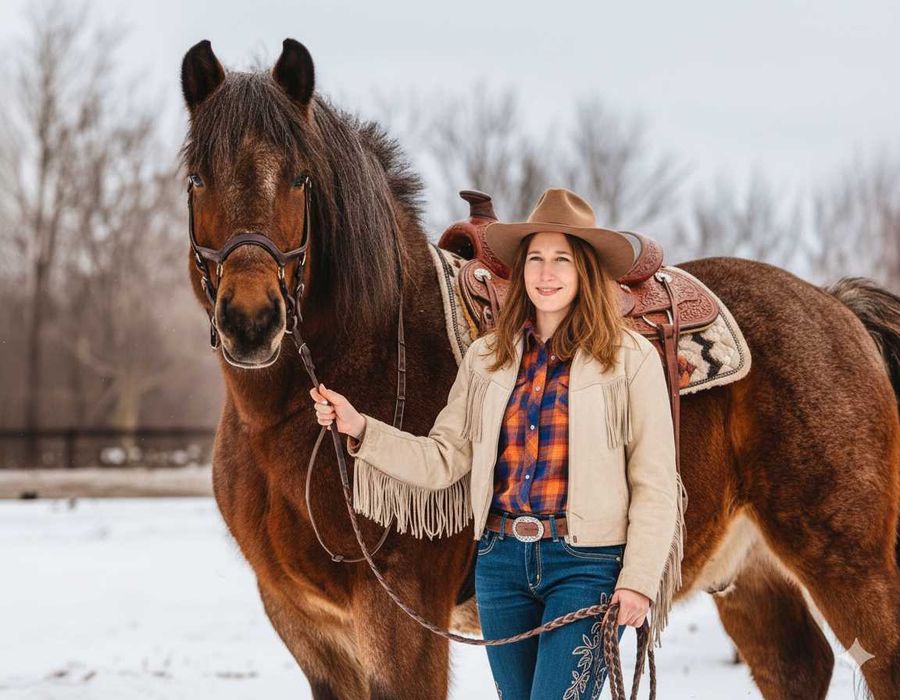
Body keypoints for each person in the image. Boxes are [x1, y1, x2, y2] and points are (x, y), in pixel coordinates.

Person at [309, 188, 680, 699]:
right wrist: (361, 429)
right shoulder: (489, 358)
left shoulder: (629, 359)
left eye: (562, 261)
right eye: (536, 260)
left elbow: (655, 483)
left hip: (587, 566)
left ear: (586, 271)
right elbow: (444, 457)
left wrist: (638, 580)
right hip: (501, 564)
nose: (546, 274)